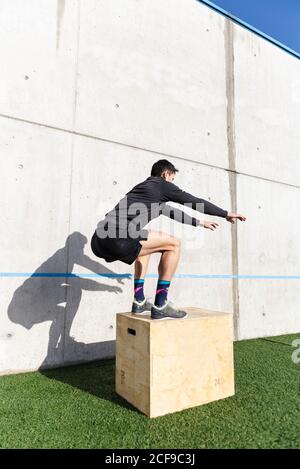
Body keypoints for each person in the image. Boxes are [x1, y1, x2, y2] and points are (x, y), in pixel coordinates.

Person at [91, 159, 246, 320]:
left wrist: (199, 223)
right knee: (174, 244)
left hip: (99, 241)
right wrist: (225, 213)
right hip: (118, 239)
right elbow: (194, 201)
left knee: (144, 247)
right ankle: (161, 303)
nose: (172, 184)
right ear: (166, 174)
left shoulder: (143, 189)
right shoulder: (162, 185)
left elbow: (171, 212)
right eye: (172, 179)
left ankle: (139, 300)